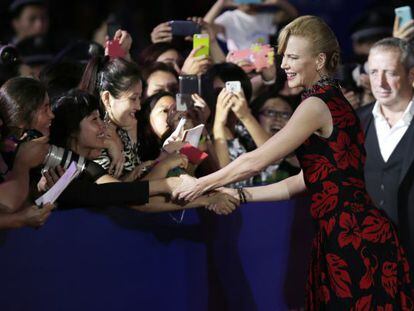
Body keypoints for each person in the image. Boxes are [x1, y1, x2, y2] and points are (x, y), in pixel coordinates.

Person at [173, 16, 413, 309]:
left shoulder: (316, 105)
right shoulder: (332, 100)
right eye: (284, 55)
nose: (284, 63)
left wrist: (201, 183)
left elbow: (258, 159)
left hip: (352, 241)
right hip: (347, 236)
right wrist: (239, 194)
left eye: (293, 56)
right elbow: (303, 180)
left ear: (320, 60)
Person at [48, 89, 237, 214]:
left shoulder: (88, 167)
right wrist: (167, 175)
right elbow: (130, 198)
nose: (103, 127)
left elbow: (122, 192)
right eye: (94, 120)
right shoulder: (57, 165)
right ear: (72, 130)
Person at [357, 37, 414, 279]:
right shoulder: (356, 122)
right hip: (368, 261)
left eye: (390, 73)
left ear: (411, 75)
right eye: (373, 72)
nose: (380, 83)